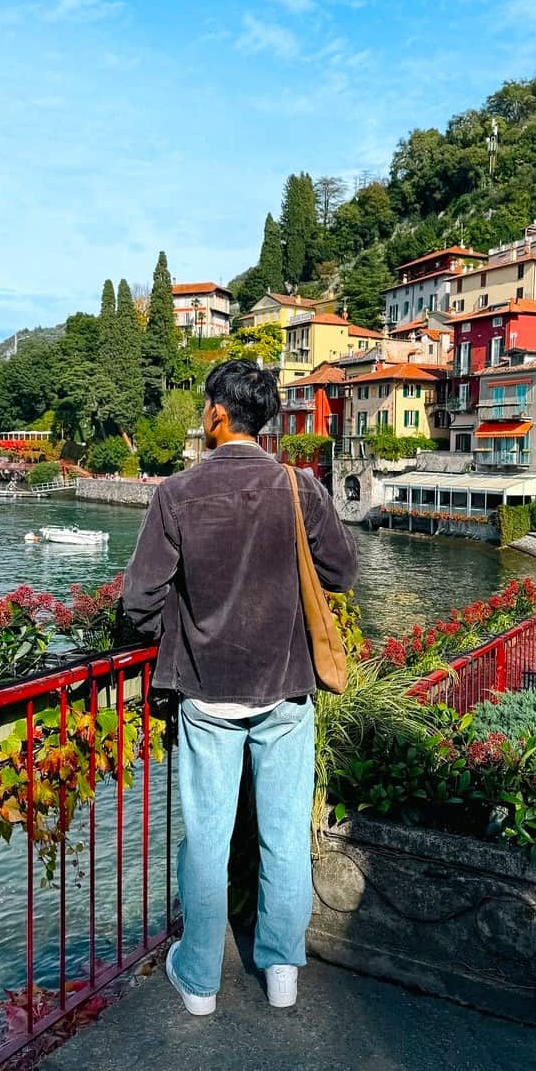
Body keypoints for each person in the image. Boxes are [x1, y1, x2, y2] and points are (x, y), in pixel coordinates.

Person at [123, 359, 356, 1017]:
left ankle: (199, 980)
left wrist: (162, 629)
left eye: (204, 406)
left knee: (207, 838)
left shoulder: (177, 494)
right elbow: (340, 571)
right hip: (284, 689)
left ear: (217, 414)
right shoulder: (298, 486)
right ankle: (281, 970)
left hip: (207, 691)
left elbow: (139, 602)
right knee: (283, 835)